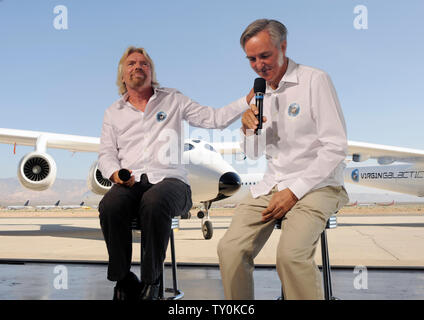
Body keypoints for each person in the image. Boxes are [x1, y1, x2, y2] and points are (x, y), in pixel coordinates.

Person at [98, 46, 249, 300]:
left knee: (155, 201)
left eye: (144, 63)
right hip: (132, 182)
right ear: (122, 76)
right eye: (131, 63)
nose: (138, 66)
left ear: (151, 71)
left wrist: (245, 101)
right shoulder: (113, 112)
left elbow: (215, 119)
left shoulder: (173, 99)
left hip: (172, 183)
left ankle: (152, 280)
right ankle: (123, 279)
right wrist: (115, 173)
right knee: (109, 205)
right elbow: (105, 154)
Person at [217, 19, 349, 300]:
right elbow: (252, 153)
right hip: (272, 185)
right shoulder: (259, 94)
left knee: (290, 257)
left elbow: (335, 147)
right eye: (251, 59)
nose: (258, 65)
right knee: (229, 249)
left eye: (264, 56)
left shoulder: (315, 80)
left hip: (319, 186)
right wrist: (247, 130)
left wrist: (294, 192)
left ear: (283, 46)